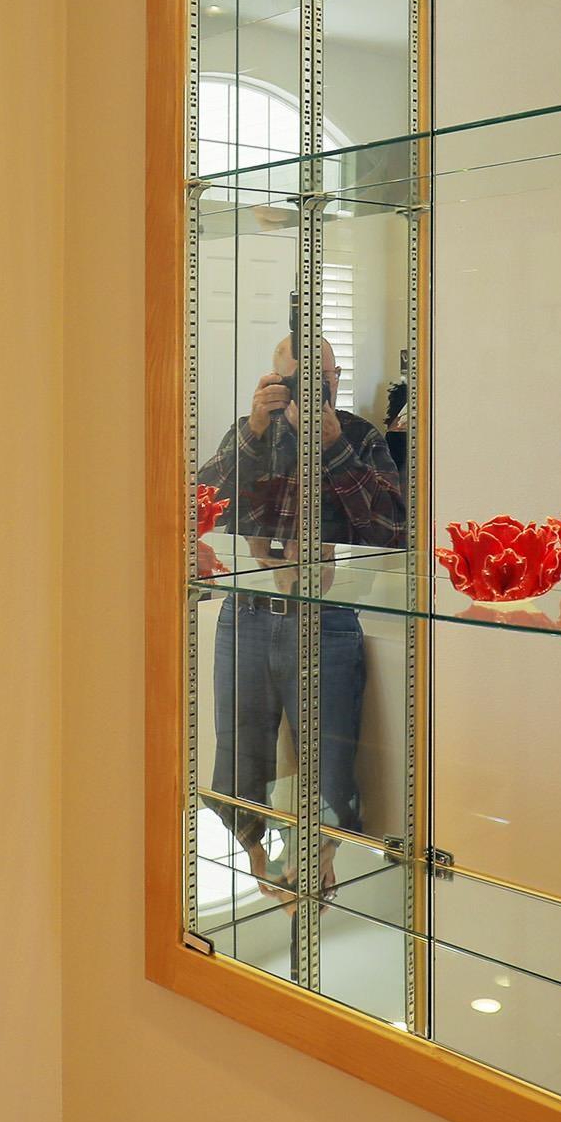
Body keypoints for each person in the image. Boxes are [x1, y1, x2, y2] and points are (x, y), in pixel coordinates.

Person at [196, 330, 405, 902]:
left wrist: (335, 446)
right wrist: (255, 431)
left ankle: (323, 857)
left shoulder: (359, 437)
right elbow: (200, 507)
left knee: (331, 750)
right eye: (297, 380)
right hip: (249, 607)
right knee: (238, 747)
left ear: (339, 380)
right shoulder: (252, 435)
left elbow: (392, 526)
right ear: (271, 383)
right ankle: (256, 855)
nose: (315, 389)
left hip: (327, 612)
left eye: (327, 378)